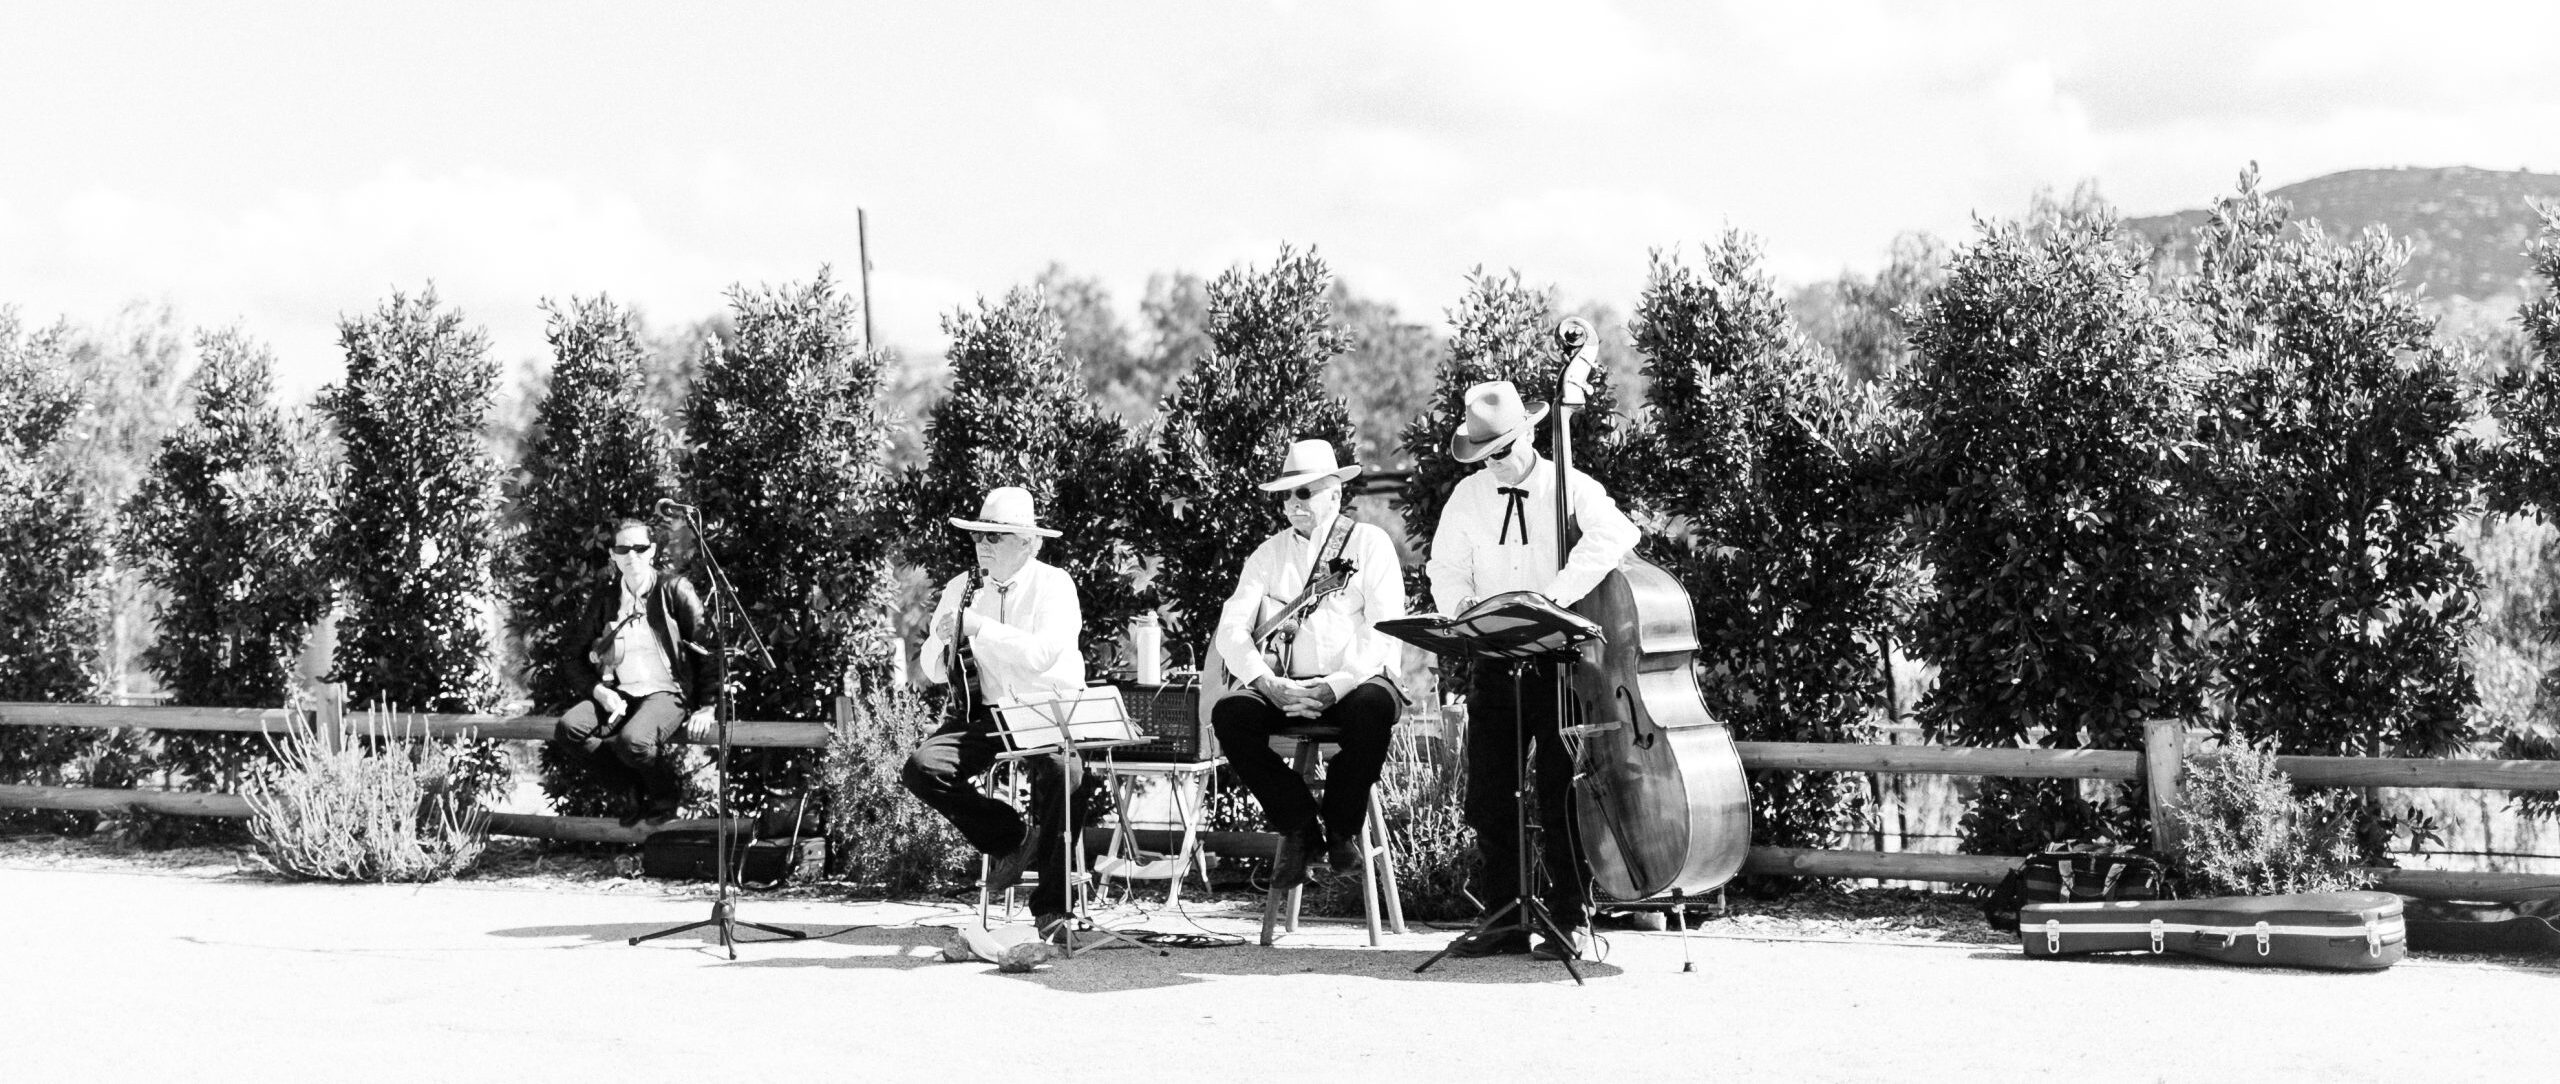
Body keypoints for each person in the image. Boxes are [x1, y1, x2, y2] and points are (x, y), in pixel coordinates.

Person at [1425, 380, 1639, 961]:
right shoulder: (1468, 496)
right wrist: (1463, 612)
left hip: (1561, 665)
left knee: (1560, 791)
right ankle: (1503, 921)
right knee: (1490, 794)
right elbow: (1444, 568)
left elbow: (1618, 534)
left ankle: (1569, 918)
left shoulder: (1567, 485)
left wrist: (1557, 597)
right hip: (1495, 660)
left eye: (1502, 450)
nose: (1494, 463)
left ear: (1528, 435)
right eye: (1484, 455)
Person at [1208, 439, 1407, 890]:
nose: (1293, 504)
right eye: (1287, 495)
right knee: (1231, 715)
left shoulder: (1370, 543)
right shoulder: (1267, 554)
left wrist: (1335, 685)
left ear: (1335, 493)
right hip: (1283, 685)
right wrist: (1265, 681)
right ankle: (1298, 826)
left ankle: (1340, 830)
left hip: (1353, 683)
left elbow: (1383, 629)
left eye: (1305, 492)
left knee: (1373, 708)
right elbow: (1231, 630)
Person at [903, 486, 1096, 938]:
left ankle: (1052, 910)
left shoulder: (1055, 585)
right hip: (988, 712)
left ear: (1028, 542)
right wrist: (945, 641)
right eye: (977, 536)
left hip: (1048, 709)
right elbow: (932, 670)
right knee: (922, 769)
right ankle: (1012, 838)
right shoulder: (962, 587)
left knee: (1065, 774)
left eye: (994, 536)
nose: (981, 545)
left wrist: (980, 627)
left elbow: (1042, 655)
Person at [554, 517, 715, 827]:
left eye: (639, 548)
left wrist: (708, 705)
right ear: (613, 555)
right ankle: (630, 788)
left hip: (668, 692)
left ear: (652, 551)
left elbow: (708, 648)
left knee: (633, 742)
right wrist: (598, 691)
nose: (631, 556)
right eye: (623, 549)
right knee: (568, 729)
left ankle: (666, 795)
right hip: (622, 692)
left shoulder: (675, 589)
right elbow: (573, 655)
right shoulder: (606, 598)